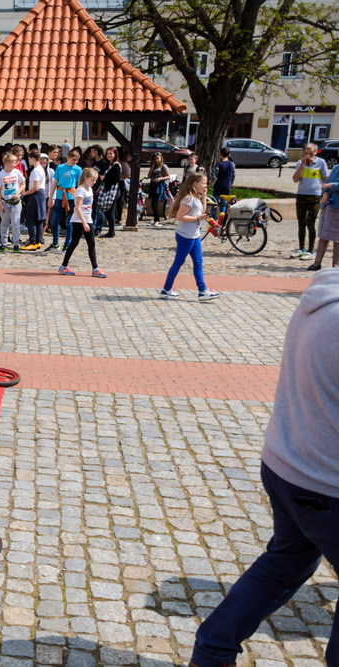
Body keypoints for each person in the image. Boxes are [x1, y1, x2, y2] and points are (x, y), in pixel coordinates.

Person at [188, 267, 339, 667]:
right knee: (284, 562)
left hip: (288, 463)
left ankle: (213, 650)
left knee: (285, 561)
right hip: (326, 481)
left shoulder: (325, 292)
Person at [160, 171, 220, 301]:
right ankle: (166, 289)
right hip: (185, 236)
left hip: (194, 235)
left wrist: (204, 196)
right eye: (203, 183)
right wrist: (197, 218)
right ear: (194, 184)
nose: (205, 185)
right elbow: (180, 217)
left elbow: (202, 211)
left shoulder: (196, 198)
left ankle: (202, 290)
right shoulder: (188, 199)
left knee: (198, 262)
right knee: (178, 262)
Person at [58, 168, 106, 277]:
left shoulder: (89, 190)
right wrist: (84, 222)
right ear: (86, 178)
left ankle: (95, 268)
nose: (94, 182)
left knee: (91, 244)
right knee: (74, 243)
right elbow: (78, 208)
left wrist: (88, 221)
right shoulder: (81, 190)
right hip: (79, 220)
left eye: (95, 180)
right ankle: (63, 266)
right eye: (92, 180)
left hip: (87, 219)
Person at [293, 143, 329, 261]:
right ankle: (301, 248)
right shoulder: (300, 162)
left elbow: (325, 178)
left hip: (314, 196)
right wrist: (303, 164)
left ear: (316, 152)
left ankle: (310, 250)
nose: (308, 155)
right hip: (301, 195)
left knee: (310, 222)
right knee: (301, 223)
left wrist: (325, 192)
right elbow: (295, 179)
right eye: (306, 153)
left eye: (311, 153)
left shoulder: (321, 162)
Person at [46, 148, 82, 252]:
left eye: (77, 160)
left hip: (71, 197)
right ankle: (55, 243)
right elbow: (54, 183)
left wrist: (79, 198)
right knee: (55, 221)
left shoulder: (78, 169)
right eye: (74, 159)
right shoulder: (60, 168)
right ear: (68, 158)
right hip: (60, 196)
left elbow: (79, 184)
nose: (75, 162)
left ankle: (67, 245)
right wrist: (50, 197)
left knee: (69, 222)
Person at [307, 163, 339, 271]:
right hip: (328, 205)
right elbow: (326, 182)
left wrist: (330, 186)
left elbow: (329, 184)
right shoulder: (336, 167)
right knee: (323, 236)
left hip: (338, 207)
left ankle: (335, 266)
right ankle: (317, 263)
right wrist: (325, 193)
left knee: (337, 239)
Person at [0, 152, 25, 252]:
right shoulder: (0, 174)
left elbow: (23, 184)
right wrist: (0, 204)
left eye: (16, 162)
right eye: (13, 162)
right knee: (4, 224)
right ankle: (4, 243)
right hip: (5, 201)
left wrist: (18, 193)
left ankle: (16, 244)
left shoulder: (17, 172)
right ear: (7, 163)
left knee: (16, 223)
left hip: (15, 201)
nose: (15, 164)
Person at [21, 151, 47, 250]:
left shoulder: (35, 170)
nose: (28, 161)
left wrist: (24, 193)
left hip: (36, 195)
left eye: (29, 159)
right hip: (41, 195)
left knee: (30, 219)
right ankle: (38, 241)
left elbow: (35, 187)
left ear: (32, 158)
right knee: (39, 219)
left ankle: (32, 241)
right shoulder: (41, 169)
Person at [98, 147, 122, 237]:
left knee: (110, 211)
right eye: (108, 153)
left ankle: (111, 232)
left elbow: (116, 179)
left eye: (111, 153)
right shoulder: (109, 164)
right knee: (108, 211)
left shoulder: (116, 165)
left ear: (115, 154)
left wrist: (105, 178)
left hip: (113, 191)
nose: (109, 155)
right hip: (108, 190)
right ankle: (111, 231)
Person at [146, 153, 172, 225]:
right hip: (153, 185)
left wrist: (160, 178)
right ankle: (156, 220)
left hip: (159, 186)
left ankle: (157, 220)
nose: (156, 160)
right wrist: (152, 167)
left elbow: (169, 176)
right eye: (155, 159)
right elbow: (149, 176)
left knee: (154, 203)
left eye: (157, 158)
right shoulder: (154, 166)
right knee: (153, 203)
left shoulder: (163, 166)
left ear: (161, 158)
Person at [212, 147, 236, 221]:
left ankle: (214, 218)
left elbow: (214, 175)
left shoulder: (219, 164)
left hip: (218, 186)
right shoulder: (232, 164)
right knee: (224, 204)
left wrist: (211, 181)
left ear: (220, 155)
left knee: (214, 203)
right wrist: (230, 183)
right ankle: (222, 220)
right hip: (227, 186)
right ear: (229, 155)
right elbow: (233, 175)